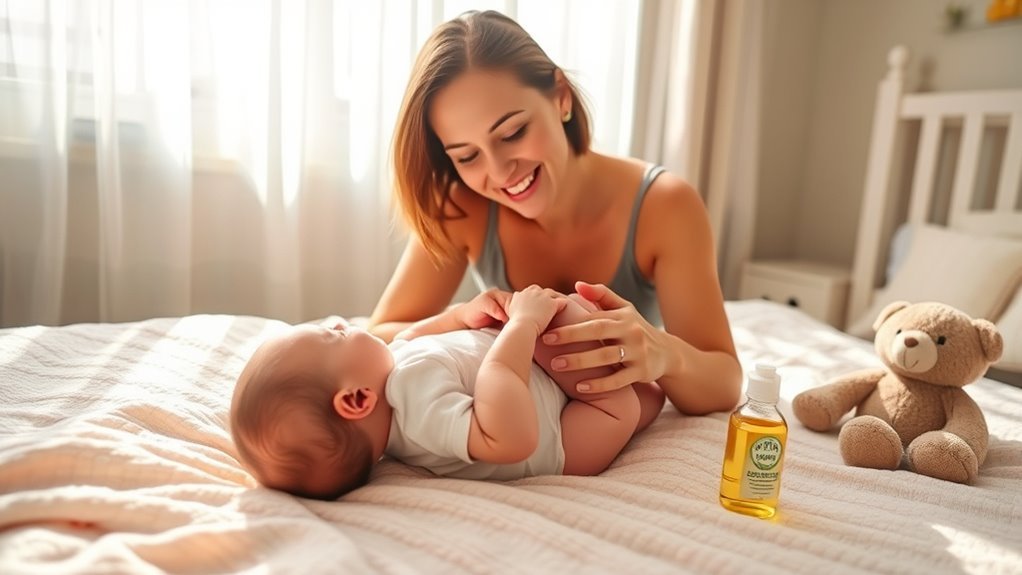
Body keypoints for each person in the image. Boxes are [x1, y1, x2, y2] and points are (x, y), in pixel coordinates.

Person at [369, 10, 741, 415]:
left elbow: (723, 381)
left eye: (513, 133)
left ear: (560, 96)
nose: (498, 172)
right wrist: (460, 318)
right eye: (467, 155)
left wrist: (665, 352)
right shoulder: (462, 207)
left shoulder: (665, 206)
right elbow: (381, 337)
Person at [230, 286, 665, 500]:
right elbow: (509, 438)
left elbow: (418, 335)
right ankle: (628, 401)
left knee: (646, 395)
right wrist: (521, 328)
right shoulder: (416, 412)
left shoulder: (391, 374)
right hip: (570, 436)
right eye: (333, 337)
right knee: (562, 316)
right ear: (357, 400)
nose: (342, 324)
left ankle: (643, 397)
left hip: (555, 393)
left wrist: (461, 314)